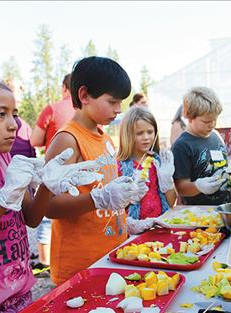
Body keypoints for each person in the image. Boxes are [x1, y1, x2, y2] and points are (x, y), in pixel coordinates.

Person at [0, 78, 99, 312]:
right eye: (1, 114)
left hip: (19, 291)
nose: (13, 125)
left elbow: (30, 218)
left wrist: (47, 185)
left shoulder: (3, 160)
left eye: (14, 114)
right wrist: (3, 199)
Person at [43, 56, 161, 285]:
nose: (119, 110)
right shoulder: (68, 140)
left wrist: (126, 210)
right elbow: (49, 205)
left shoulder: (104, 137)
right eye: (112, 101)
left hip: (109, 253)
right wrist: (99, 199)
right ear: (84, 95)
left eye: (121, 103)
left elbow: (105, 197)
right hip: (80, 264)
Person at [30, 73, 74, 276]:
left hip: (56, 167)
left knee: (47, 218)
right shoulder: (92, 113)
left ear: (65, 88)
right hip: (81, 173)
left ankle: (43, 262)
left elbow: (35, 140)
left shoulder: (53, 108)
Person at [171, 87, 231, 205]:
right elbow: (180, 187)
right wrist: (198, 186)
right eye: (206, 122)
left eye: (215, 120)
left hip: (224, 207)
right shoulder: (182, 146)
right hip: (199, 214)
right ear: (190, 117)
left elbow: (221, 164)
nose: (212, 125)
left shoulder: (216, 136)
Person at [117, 107, 177, 219]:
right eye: (139, 133)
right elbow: (114, 208)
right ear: (127, 135)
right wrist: (130, 198)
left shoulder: (159, 163)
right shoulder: (119, 166)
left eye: (150, 132)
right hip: (132, 231)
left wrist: (168, 182)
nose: (146, 138)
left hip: (159, 225)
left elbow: (171, 202)